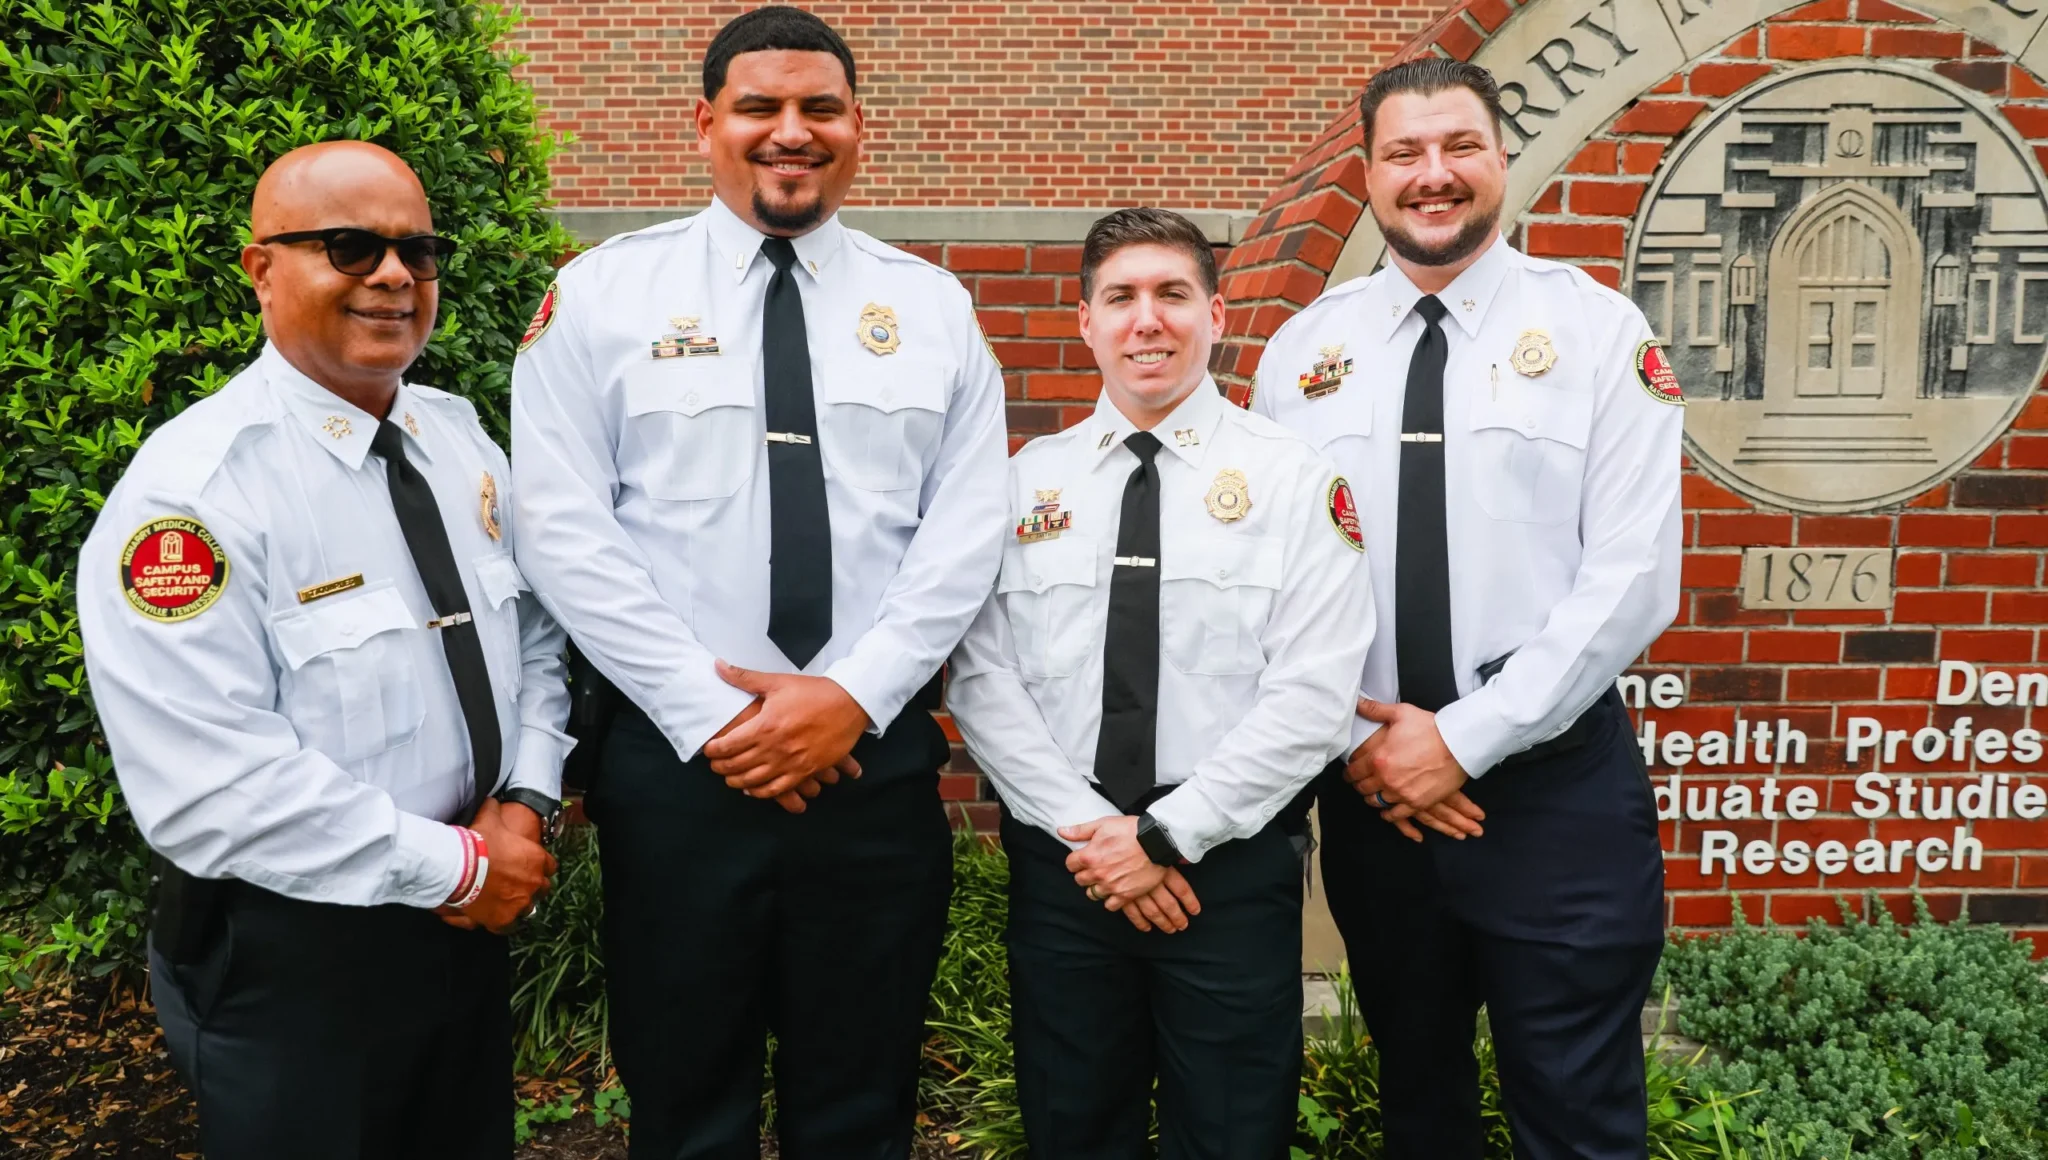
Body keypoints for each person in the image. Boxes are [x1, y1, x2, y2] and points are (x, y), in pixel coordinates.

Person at [508, 7, 1008, 1157]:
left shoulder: (932, 308)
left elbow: (966, 529)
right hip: (682, 774)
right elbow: (562, 527)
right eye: (759, 108)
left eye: (818, 108)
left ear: (855, 128)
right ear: (706, 125)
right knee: (685, 1105)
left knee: (864, 1101)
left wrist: (851, 696)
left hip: (869, 770)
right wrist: (716, 712)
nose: (792, 131)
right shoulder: (602, 298)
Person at [75, 141, 570, 1159]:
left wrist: (525, 799)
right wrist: (462, 866)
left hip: (465, 922)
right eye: (349, 247)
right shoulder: (195, 497)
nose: (393, 275)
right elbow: (210, 785)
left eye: (417, 252)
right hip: (296, 957)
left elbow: (531, 634)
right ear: (261, 269)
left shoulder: (457, 438)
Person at [1250, 58, 1683, 1160]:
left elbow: (1631, 577)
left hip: (1552, 797)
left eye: (1457, 147)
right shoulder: (1302, 354)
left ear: (1499, 160)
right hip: (1374, 798)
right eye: (1403, 153)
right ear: (1367, 173)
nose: (1431, 175)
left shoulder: (1594, 334)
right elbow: (1273, 579)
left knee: (1576, 1118)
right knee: (1419, 1107)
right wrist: (1374, 742)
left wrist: (1463, 737)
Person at [948, 207, 1374, 1159]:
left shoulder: (1295, 483)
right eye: (1122, 298)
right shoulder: (1021, 488)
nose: (1149, 319)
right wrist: (1100, 842)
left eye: (1173, 294)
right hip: (1069, 873)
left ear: (1216, 315)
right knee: (1073, 1130)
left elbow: (1312, 698)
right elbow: (982, 679)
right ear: (1086, 323)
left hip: (1225, 870)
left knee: (1230, 1137)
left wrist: (1165, 838)